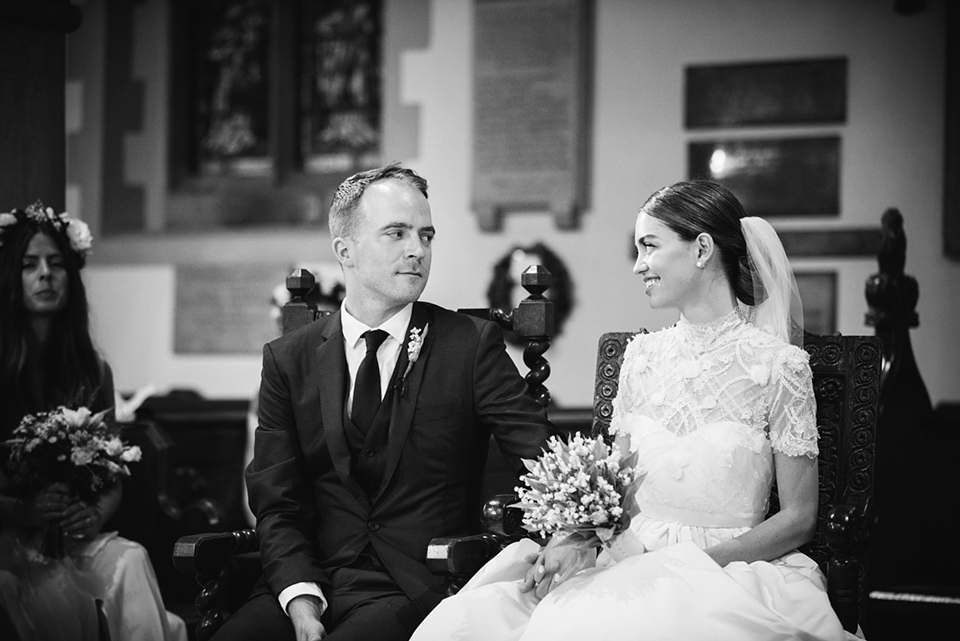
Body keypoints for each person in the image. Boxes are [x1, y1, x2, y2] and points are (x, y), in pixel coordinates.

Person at [411, 179, 862, 641]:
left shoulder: (779, 366)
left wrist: (692, 567)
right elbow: (615, 492)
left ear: (702, 248)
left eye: (649, 246)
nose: (639, 266)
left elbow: (799, 518)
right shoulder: (640, 358)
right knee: (472, 621)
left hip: (731, 569)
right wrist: (577, 539)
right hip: (628, 554)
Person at [214, 164, 556, 641]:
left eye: (426, 235)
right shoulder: (288, 359)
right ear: (345, 250)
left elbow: (541, 459)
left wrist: (571, 530)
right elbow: (278, 503)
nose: (417, 250)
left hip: (416, 585)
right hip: (305, 584)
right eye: (396, 233)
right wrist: (300, 594)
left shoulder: (469, 345)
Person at [0, 202, 187, 641]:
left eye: (57, 264)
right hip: (7, 539)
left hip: (72, 537)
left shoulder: (91, 370)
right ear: (10, 278)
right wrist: (24, 510)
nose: (46, 274)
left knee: (131, 558)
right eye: (30, 265)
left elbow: (113, 474)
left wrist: (93, 514)